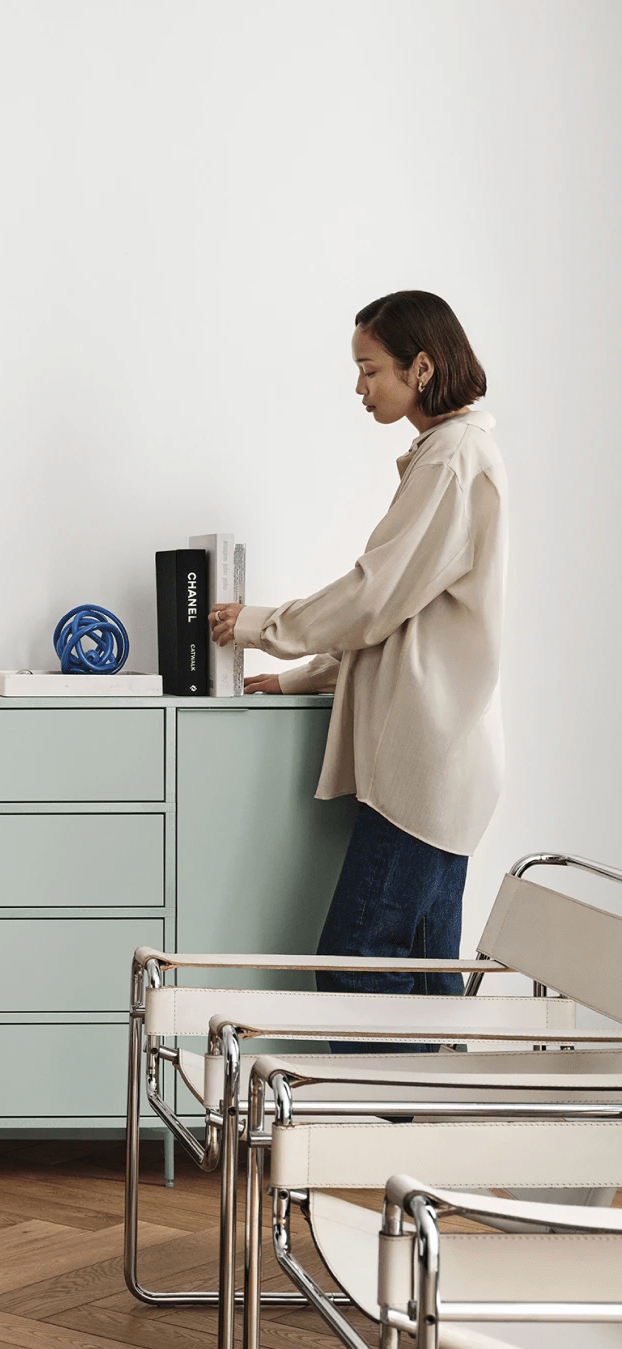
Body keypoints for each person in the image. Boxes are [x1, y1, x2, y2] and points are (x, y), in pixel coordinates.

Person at [207, 290, 504, 1001]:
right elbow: (408, 616)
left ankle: (389, 1113)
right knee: (428, 976)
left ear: (422, 367)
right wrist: (302, 678)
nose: (359, 387)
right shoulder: (450, 454)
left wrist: (260, 625)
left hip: (424, 768)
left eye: (371, 370)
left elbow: (374, 597)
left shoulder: (450, 461)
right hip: (447, 764)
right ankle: (435, 1114)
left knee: (355, 960)